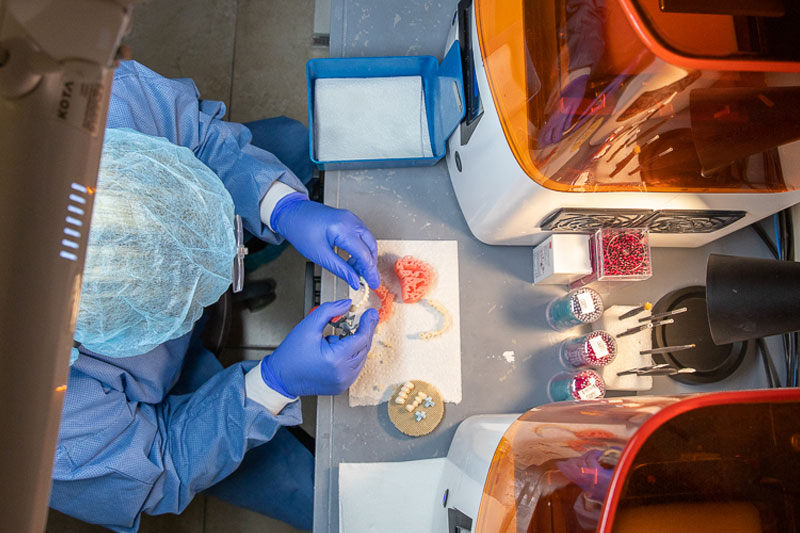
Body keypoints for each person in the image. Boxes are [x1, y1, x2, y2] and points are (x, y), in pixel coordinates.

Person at [49, 60, 380, 532]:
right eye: (167, 290)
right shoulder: (47, 430)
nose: (226, 268)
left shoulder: (96, 102)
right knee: (318, 495)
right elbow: (164, 463)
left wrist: (282, 205)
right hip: (161, 406)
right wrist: (273, 384)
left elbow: (198, 136)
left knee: (290, 143)